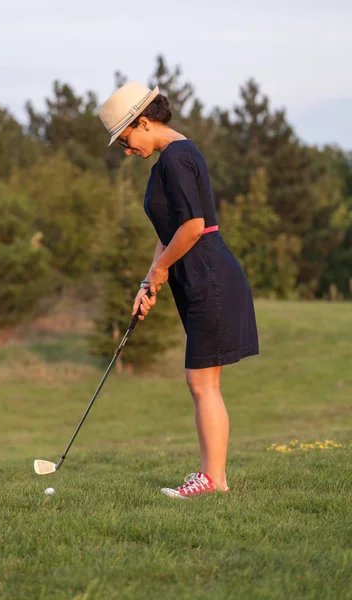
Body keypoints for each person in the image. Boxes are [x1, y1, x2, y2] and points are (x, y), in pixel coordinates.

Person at [99, 81, 259, 499]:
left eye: (126, 138)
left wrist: (162, 269)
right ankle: (212, 477)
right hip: (198, 276)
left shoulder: (176, 158)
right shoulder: (172, 159)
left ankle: (213, 480)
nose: (126, 149)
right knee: (202, 383)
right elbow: (170, 230)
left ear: (144, 121)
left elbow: (192, 227)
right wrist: (149, 277)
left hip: (209, 276)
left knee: (202, 382)